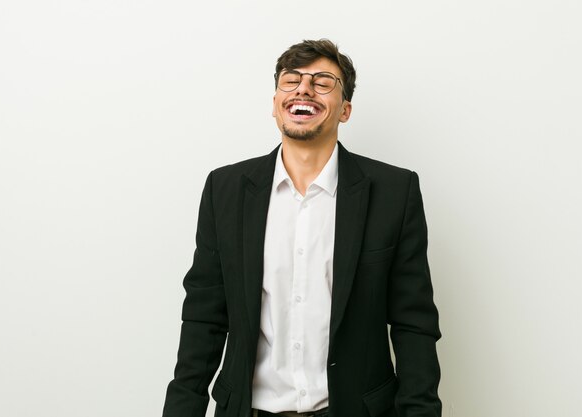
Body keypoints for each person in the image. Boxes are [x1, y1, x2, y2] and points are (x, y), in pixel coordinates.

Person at [162, 39, 441, 417]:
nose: (304, 89)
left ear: (345, 109)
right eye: (290, 80)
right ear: (276, 105)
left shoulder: (394, 192)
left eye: (323, 82)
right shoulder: (224, 189)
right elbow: (203, 317)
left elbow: (414, 325)